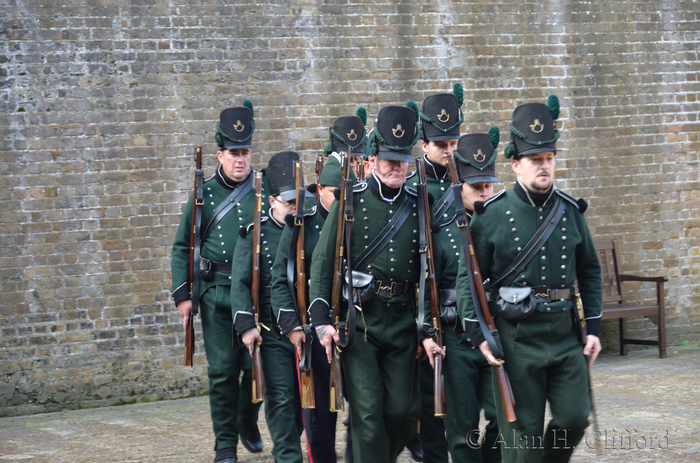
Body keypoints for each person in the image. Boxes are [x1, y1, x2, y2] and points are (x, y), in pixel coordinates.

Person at [456, 95, 603, 463]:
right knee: (523, 439)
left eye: (549, 159)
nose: (544, 166)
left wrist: (595, 328)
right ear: (516, 165)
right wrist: (479, 336)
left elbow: (589, 269)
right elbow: (469, 280)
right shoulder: (491, 214)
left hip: (565, 335)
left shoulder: (570, 212)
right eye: (535, 160)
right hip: (516, 340)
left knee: (573, 418)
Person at [308, 103, 434, 463]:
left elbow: (431, 269)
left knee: (403, 413)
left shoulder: (419, 203)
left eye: (403, 159)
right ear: (374, 159)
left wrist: (427, 326)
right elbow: (323, 262)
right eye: (389, 158)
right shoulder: (351, 198)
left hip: (402, 323)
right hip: (359, 324)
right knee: (366, 413)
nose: (397, 166)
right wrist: (322, 321)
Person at [170, 101, 264, 463]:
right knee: (224, 370)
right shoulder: (202, 194)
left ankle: (246, 419)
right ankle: (225, 445)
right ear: (220, 154)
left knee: (256, 367)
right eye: (233, 153)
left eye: (245, 152)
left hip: (254, 294)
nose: (240, 160)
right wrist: (183, 296)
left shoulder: (265, 188)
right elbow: (182, 247)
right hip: (214, 292)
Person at [270, 112, 363, 463]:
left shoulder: (358, 220)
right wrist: (293, 327)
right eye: (335, 193)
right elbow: (281, 278)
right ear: (320, 190)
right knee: (319, 421)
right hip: (311, 333)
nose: (342, 200)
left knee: (363, 410)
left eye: (347, 193)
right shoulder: (301, 224)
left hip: (352, 331)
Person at [423, 129, 503, 463]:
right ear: (460, 188)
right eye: (476, 188)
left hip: (496, 336)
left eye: (489, 186)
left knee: (504, 418)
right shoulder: (441, 232)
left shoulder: (503, 225)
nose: (484, 194)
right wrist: (428, 332)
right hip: (456, 340)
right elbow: (427, 286)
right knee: (462, 430)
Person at [231, 150, 312, 463]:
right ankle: (288, 456)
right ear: (272, 201)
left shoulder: (310, 226)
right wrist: (247, 327)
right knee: (280, 396)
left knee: (301, 403)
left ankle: (290, 443)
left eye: (298, 201)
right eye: (288, 202)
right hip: (269, 328)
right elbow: (239, 284)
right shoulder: (254, 235)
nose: (294, 208)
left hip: (306, 326)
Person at [406, 84, 465, 463]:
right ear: (424, 144)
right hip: (422, 304)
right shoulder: (413, 186)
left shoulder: (469, 178)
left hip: (461, 305)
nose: (449, 151)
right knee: (429, 393)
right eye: (441, 144)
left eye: (454, 143)